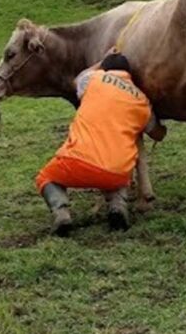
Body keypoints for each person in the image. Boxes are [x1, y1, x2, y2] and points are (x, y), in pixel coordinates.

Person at [36, 53, 167, 236]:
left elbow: (77, 80)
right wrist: (162, 121)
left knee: (45, 177)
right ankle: (118, 206)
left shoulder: (93, 79)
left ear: (104, 68)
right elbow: (157, 134)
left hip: (76, 162)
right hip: (116, 172)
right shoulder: (142, 101)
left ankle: (61, 213)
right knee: (118, 172)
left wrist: (100, 62)